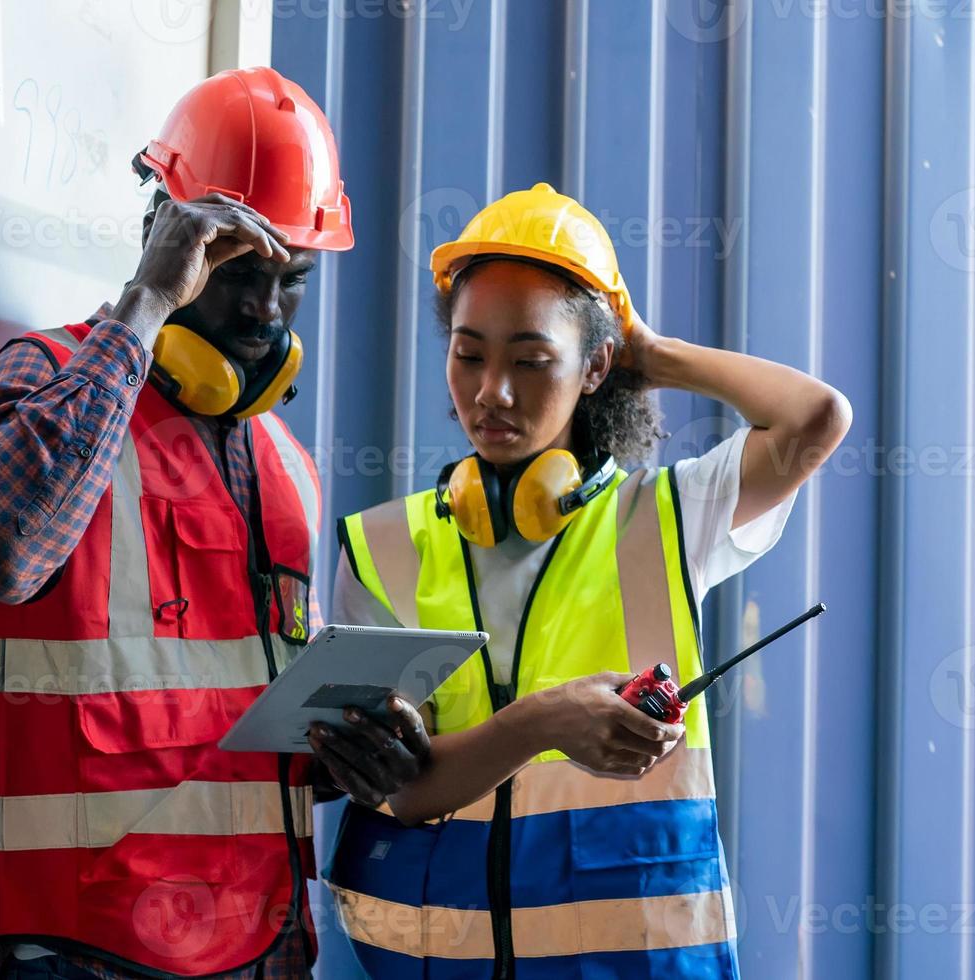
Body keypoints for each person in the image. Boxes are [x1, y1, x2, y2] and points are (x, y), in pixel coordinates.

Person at [0, 67, 427, 980]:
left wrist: (349, 756)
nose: (264, 311)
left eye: (294, 278)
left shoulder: (285, 465)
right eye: (238, 266)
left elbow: (222, 730)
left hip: (264, 942)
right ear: (166, 233)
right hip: (80, 945)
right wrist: (146, 307)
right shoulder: (47, 380)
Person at [319, 183, 852, 977]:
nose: (491, 392)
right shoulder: (383, 546)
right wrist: (541, 723)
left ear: (596, 365)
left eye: (531, 361)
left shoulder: (671, 517)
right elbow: (402, 789)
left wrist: (652, 354)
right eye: (468, 355)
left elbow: (815, 419)